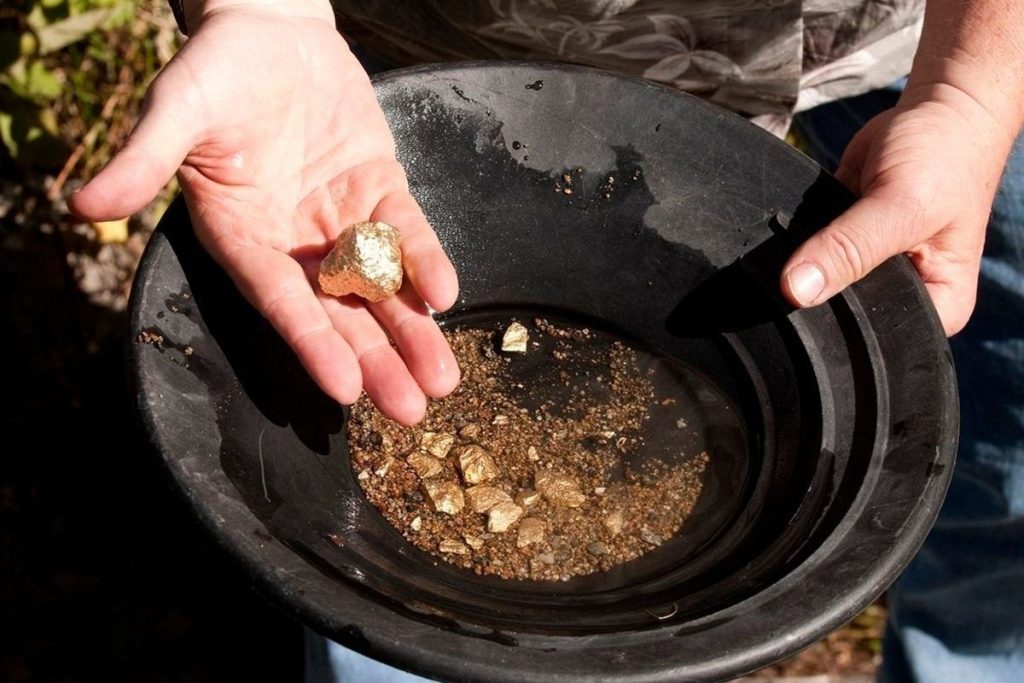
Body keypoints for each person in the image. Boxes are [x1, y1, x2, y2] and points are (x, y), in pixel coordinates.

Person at [69, 1, 1024, 681]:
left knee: (994, 466)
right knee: (406, 608)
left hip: (906, 39)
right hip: (456, 43)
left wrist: (975, 88)